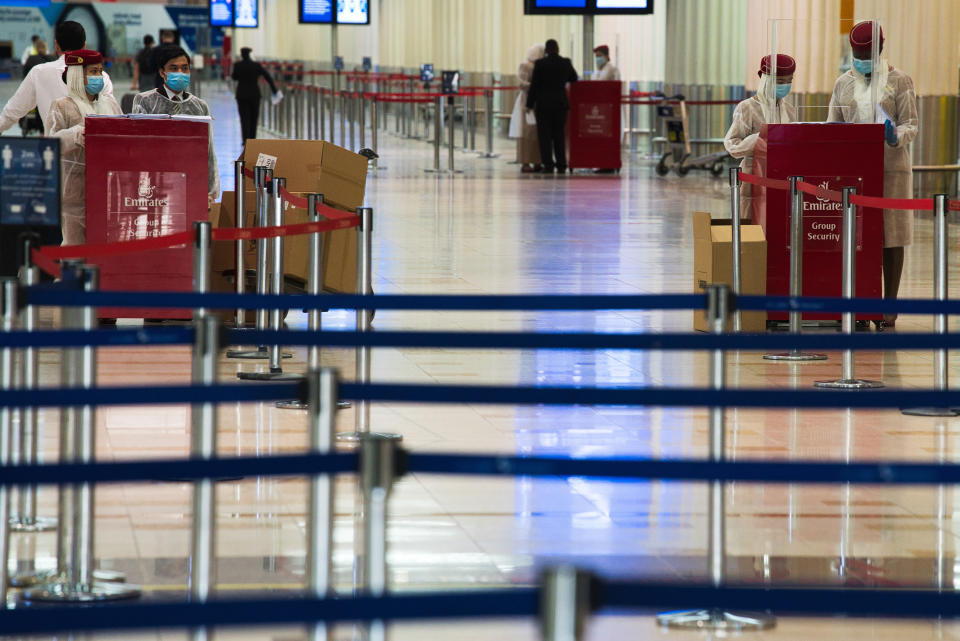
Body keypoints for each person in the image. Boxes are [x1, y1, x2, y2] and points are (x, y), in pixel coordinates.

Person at [827, 21, 917, 330]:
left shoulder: (899, 80)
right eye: (858, 56)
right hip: (854, 172)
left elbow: (911, 124)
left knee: (891, 237)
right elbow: (833, 124)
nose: (863, 61)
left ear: (880, 51)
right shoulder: (844, 83)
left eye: (868, 55)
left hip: (891, 168)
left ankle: (888, 306)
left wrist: (895, 136)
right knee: (858, 238)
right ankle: (859, 302)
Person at [46, 50, 122, 246]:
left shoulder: (110, 104)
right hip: (75, 191)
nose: (98, 77)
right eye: (93, 72)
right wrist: (78, 134)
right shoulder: (62, 106)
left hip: (108, 188)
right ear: (78, 75)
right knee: (74, 248)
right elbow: (51, 145)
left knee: (105, 247)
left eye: (100, 72)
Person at [133, 45, 220, 205]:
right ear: (162, 72)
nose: (180, 73)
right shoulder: (145, 101)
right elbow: (139, 148)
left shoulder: (199, 106)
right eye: (173, 68)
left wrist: (211, 191)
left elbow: (208, 150)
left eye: (184, 68)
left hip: (191, 182)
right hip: (155, 185)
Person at [0, 21, 115, 134]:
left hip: (54, 148)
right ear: (84, 45)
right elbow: (111, 114)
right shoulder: (101, 77)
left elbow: (13, 110)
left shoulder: (39, 73)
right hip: (93, 148)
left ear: (56, 45)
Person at [724, 54, 796, 218]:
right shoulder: (748, 108)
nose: (785, 86)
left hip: (781, 176)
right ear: (763, 77)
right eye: (779, 82)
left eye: (789, 81)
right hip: (753, 176)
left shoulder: (789, 110)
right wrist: (759, 139)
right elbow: (732, 145)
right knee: (752, 226)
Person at [525, 39, 578, 174]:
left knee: (545, 136)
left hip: (544, 105)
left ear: (546, 51)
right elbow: (574, 78)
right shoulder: (566, 62)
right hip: (561, 104)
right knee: (559, 134)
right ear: (558, 49)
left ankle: (548, 165)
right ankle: (561, 164)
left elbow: (534, 86)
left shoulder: (540, 64)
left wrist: (529, 104)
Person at [231, 47, 278, 145]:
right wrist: (274, 90)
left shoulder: (238, 65)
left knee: (244, 118)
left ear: (242, 55)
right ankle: (252, 139)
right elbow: (267, 76)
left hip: (242, 95)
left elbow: (234, 77)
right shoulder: (256, 65)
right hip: (254, 95)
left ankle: (245, 140)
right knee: (254, 117)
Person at [511, 44, 544, 173]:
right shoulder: (525, 65)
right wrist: (536, 86)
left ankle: (537, 161)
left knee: (536, 135)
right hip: (526, 103)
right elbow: (521, 83)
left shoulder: (538, 66)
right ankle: (525, 162)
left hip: (536, 103)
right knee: (525, 134)